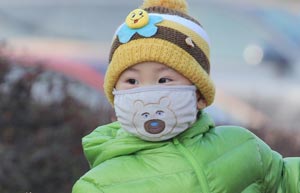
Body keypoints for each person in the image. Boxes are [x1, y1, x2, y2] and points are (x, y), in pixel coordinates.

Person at [72, 0, 300, 192]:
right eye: (132, 81)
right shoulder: (99, 184)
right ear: (115, 96)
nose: (150, 94)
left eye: (164, 80)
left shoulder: (242, 147)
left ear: (199, 95)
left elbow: (286, 179)